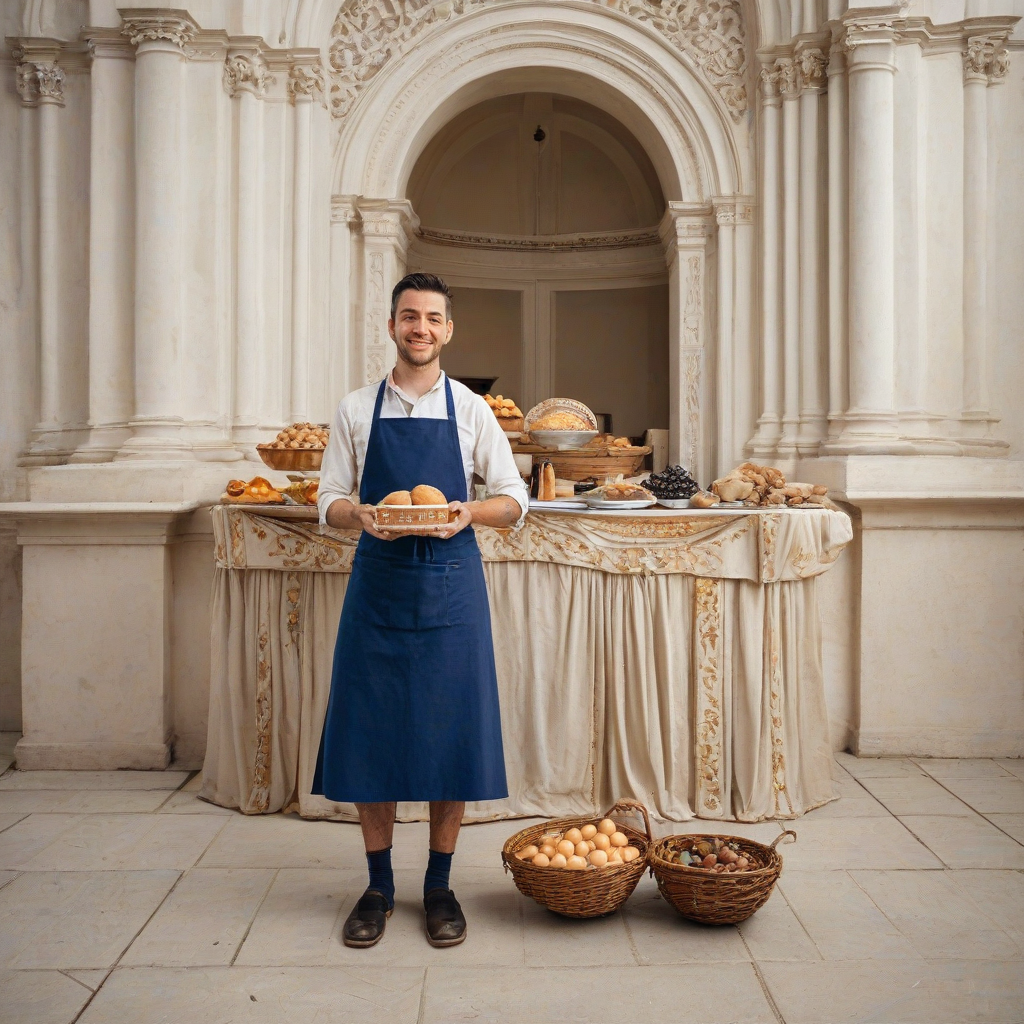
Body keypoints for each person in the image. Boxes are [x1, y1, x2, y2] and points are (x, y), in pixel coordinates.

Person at [313, 272, 529, 948]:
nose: (421, 329)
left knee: (451, 736)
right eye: (410, 317)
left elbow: (515, 499)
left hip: (451, 584)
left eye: (433, 318)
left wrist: (469, 510)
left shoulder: (472, 409)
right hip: (377, 584)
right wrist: (360, 515)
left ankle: (439, 884)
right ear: (392, 326)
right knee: (370, 734)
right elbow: (328, 500)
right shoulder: (354, 408)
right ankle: (378, 885)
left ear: (448, 330)